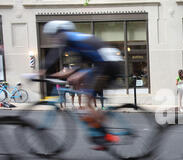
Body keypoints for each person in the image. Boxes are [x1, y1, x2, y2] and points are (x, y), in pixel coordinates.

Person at [40, 20, 123, 150]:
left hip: (106, 66)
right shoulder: (79, 42)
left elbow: (54, 55)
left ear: (58, 32)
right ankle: (100, 133)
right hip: (108, 64)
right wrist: (68, 75)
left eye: (53, 36)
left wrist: (42, 70)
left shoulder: (68, 37)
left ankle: (105, 136)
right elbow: (80, 67)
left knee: (87, 104)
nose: (54, 40)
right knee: (82, 89)